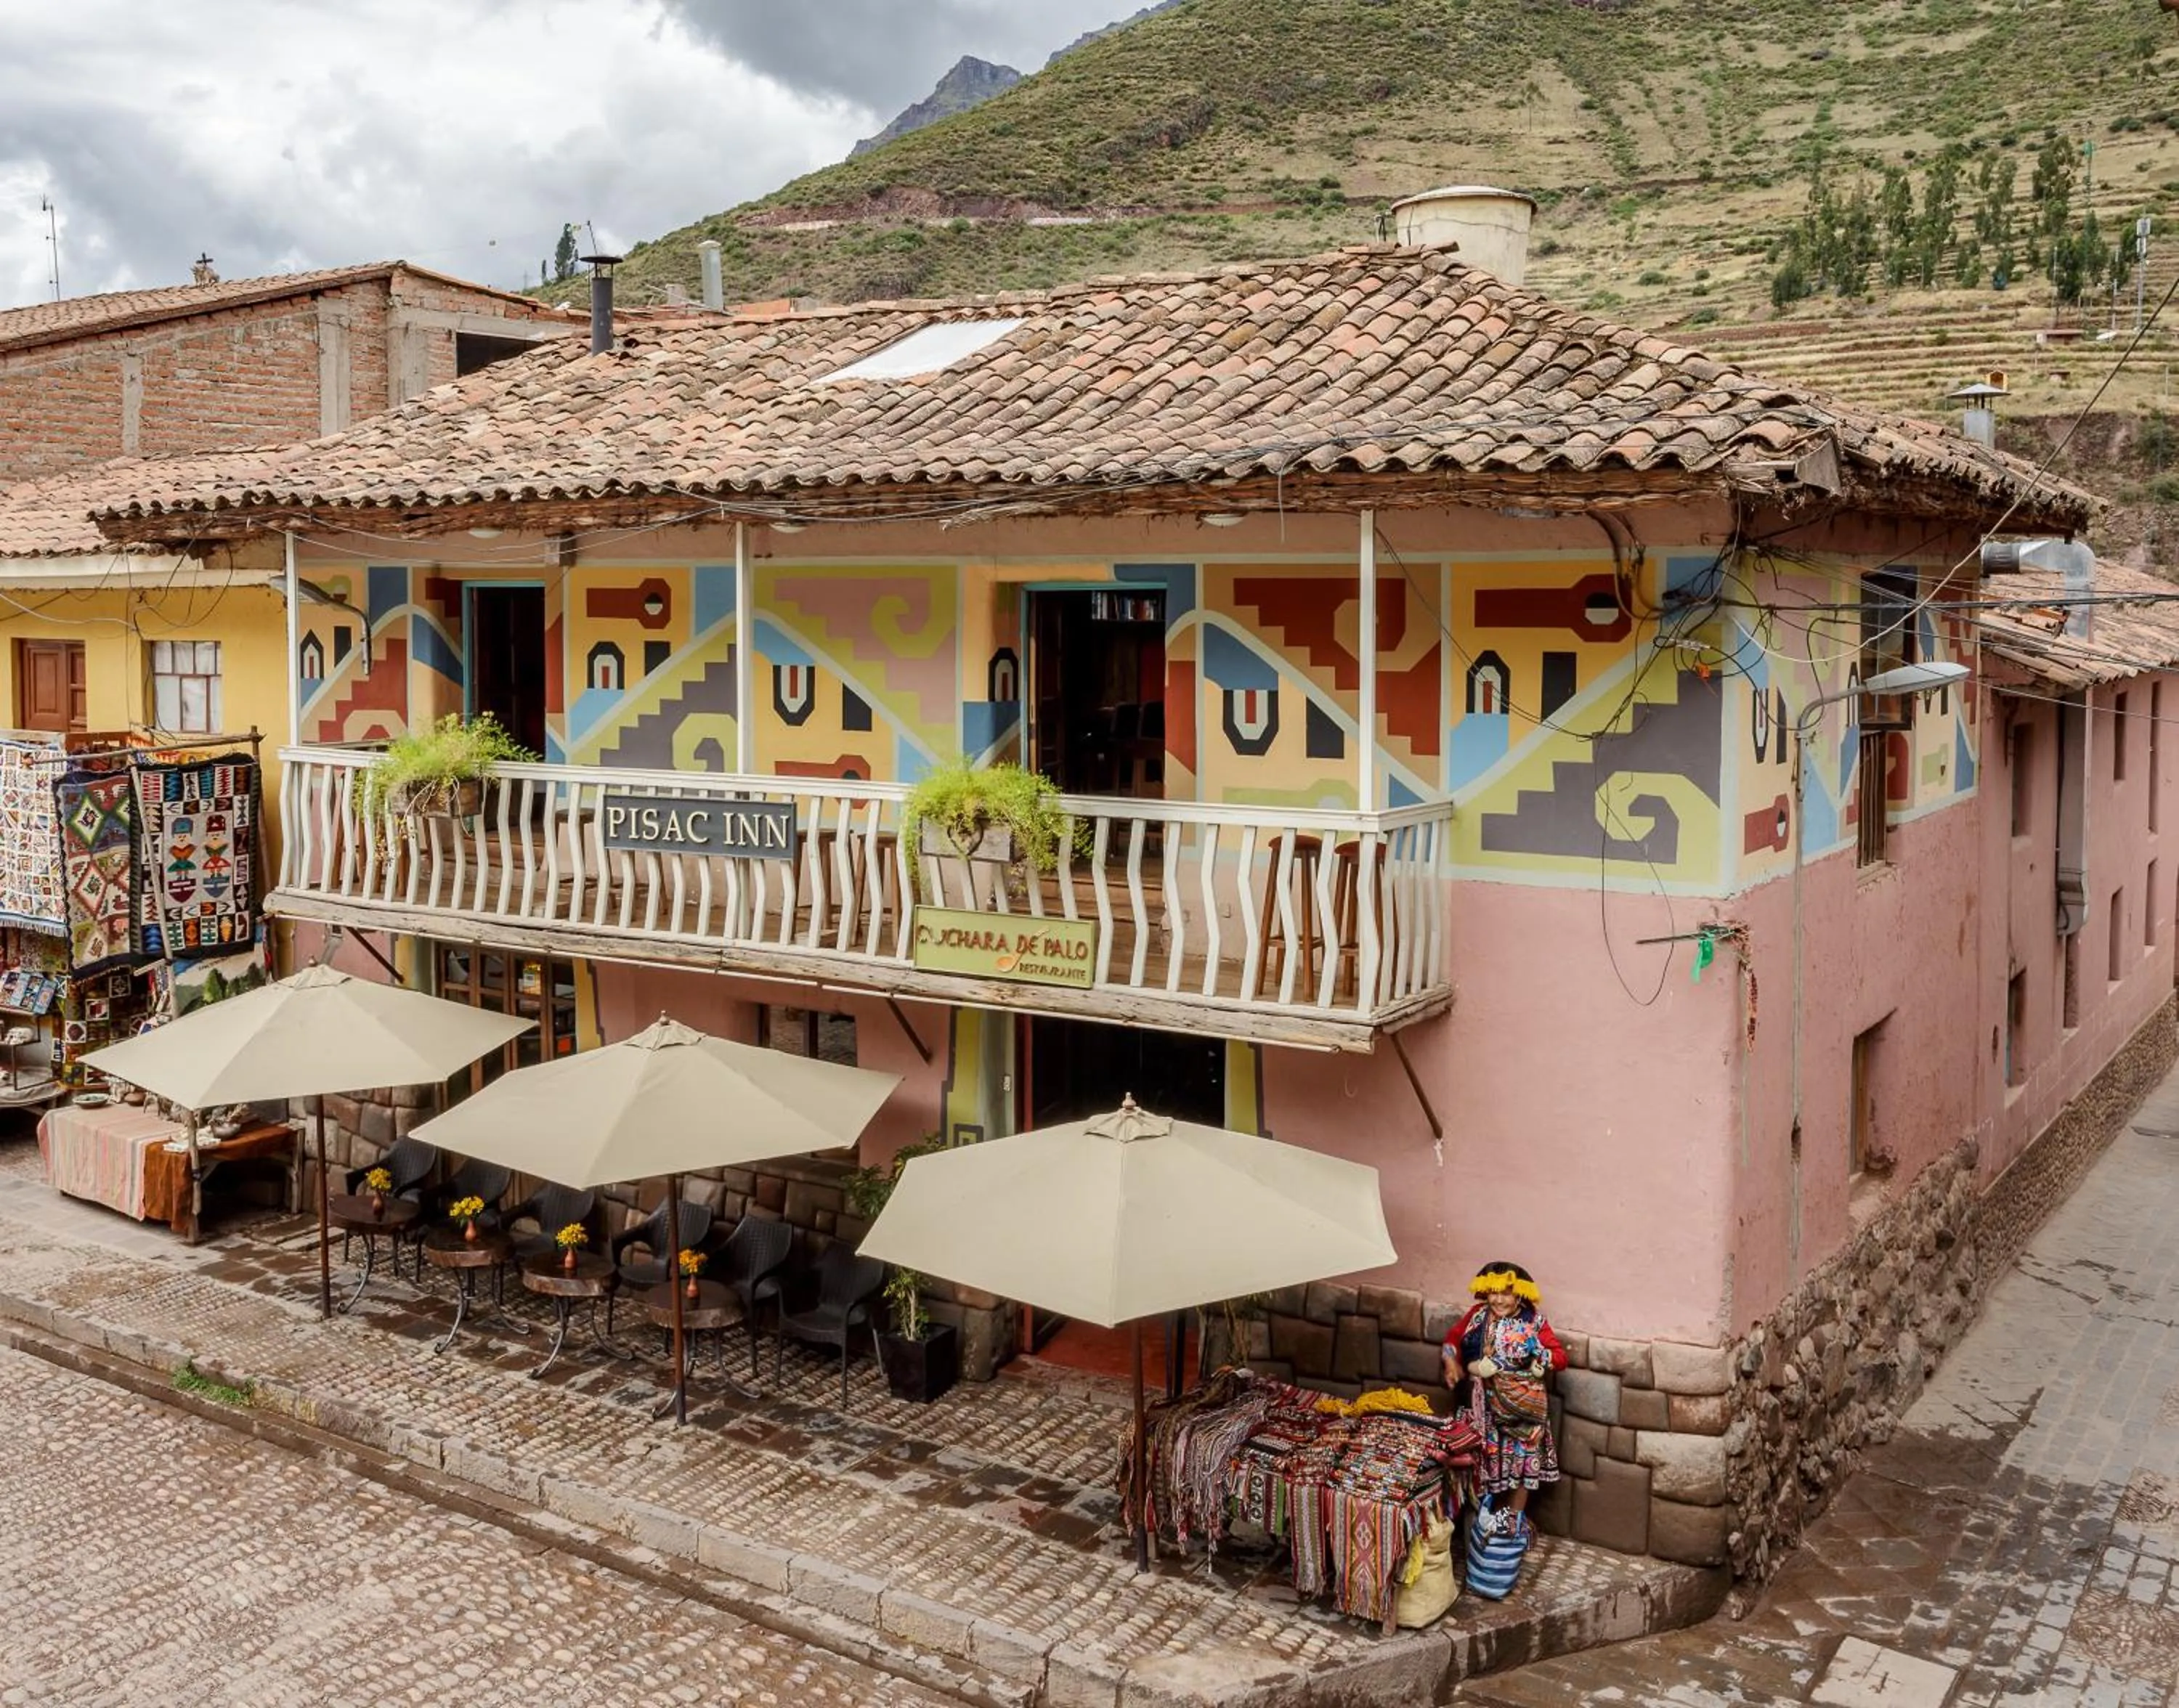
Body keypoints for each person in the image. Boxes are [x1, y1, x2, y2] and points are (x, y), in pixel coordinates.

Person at [1441, 1260, 1567, 1538]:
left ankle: (1513, 1521)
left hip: (1523, 1409)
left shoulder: (1534, 1322)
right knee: (1484, 1463)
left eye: (1506, 1292)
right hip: (1483, 1408)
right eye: (1493, 1292)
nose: (1498, 1299)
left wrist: (1541, 1361)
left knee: (1522, 1463)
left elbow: (1560, 1356)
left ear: (1519, 1294)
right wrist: (1454, 1363)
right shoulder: (1477, 1316)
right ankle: (1483, 1522)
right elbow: (1453, 1341)